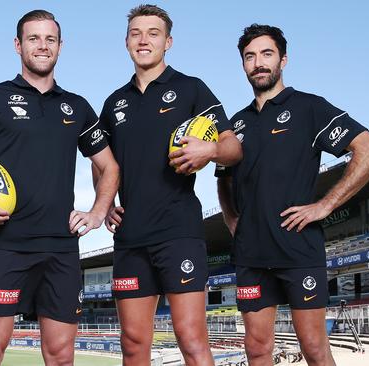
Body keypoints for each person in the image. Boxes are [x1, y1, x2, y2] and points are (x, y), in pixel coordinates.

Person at [0, 10, 119, 366]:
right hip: (5, 246)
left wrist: (99, 211)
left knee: (60, 355)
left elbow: (109, 166)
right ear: (18, 45)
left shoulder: (78, 107)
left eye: (50, 39)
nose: (42, 46)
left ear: (60, 46)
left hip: (61, 248)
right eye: (34, 39)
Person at [217, 24, 369, 366]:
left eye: (267, 54)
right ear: (243, 65)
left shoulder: (309, 108)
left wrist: (325, 205)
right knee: (257, 350)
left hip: (298, 249)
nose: (258, 63)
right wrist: (232, 219)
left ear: (283, 59)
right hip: (250, 255)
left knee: (313, 348)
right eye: (250, 57)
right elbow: (224, 178)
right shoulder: (235, 123)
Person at [97, 5, 242, 366]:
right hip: (130, 238)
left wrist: (209, 149)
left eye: (153, 32)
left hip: (178, 232)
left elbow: (233, 148)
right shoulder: (114, 103)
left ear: (169, 41)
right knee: (132, 343)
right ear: (126, 41)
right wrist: (106, 201)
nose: (143, 39)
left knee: (191, 340)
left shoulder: (191, 88)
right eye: (136, 33)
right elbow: (101, 164)